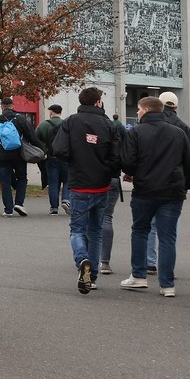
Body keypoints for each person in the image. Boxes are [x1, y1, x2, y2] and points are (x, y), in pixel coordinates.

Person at [118, 96, 190, 297]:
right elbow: (189, 162)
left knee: (140, 231)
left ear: (145, 110)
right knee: (167, 237)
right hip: (172, 191)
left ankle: (138, 276)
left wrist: (133, 171)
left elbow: (127, 162)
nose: (136, 113)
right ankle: (167, 284)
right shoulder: (178, 133)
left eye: (138, 109)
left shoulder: (136, 132)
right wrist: (187, 185)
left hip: (145, 190)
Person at [53, 86, 121, 295]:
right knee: (96, 230)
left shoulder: (71, 122)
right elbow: (117, 155)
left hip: (79, 183)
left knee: (77, 229)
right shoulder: (109, 125)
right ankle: (91, 277)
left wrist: (74, 161)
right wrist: (107, 167)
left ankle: (82, 260)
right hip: (102, 185)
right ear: (98, 102)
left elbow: (59, 149)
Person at [0, 98, 42, 218]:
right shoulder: (21, 119)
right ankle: (19, 203)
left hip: (1, 155)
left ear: (2, 107)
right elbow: (31, 136)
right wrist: (42, 150)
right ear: (12, 105)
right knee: (22, 178)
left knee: (5, 182)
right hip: (19, 154)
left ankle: (8, 209)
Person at [36, 104, 67, 215]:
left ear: (51, 112)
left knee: (53, 183)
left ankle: (54, 208)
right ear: (60, 112)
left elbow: (36, 139)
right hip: (65, 158)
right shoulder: (66, 124)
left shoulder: (44, 125)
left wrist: (44, 151)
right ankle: (66, 200)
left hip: (50, 157)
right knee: (67, 181)